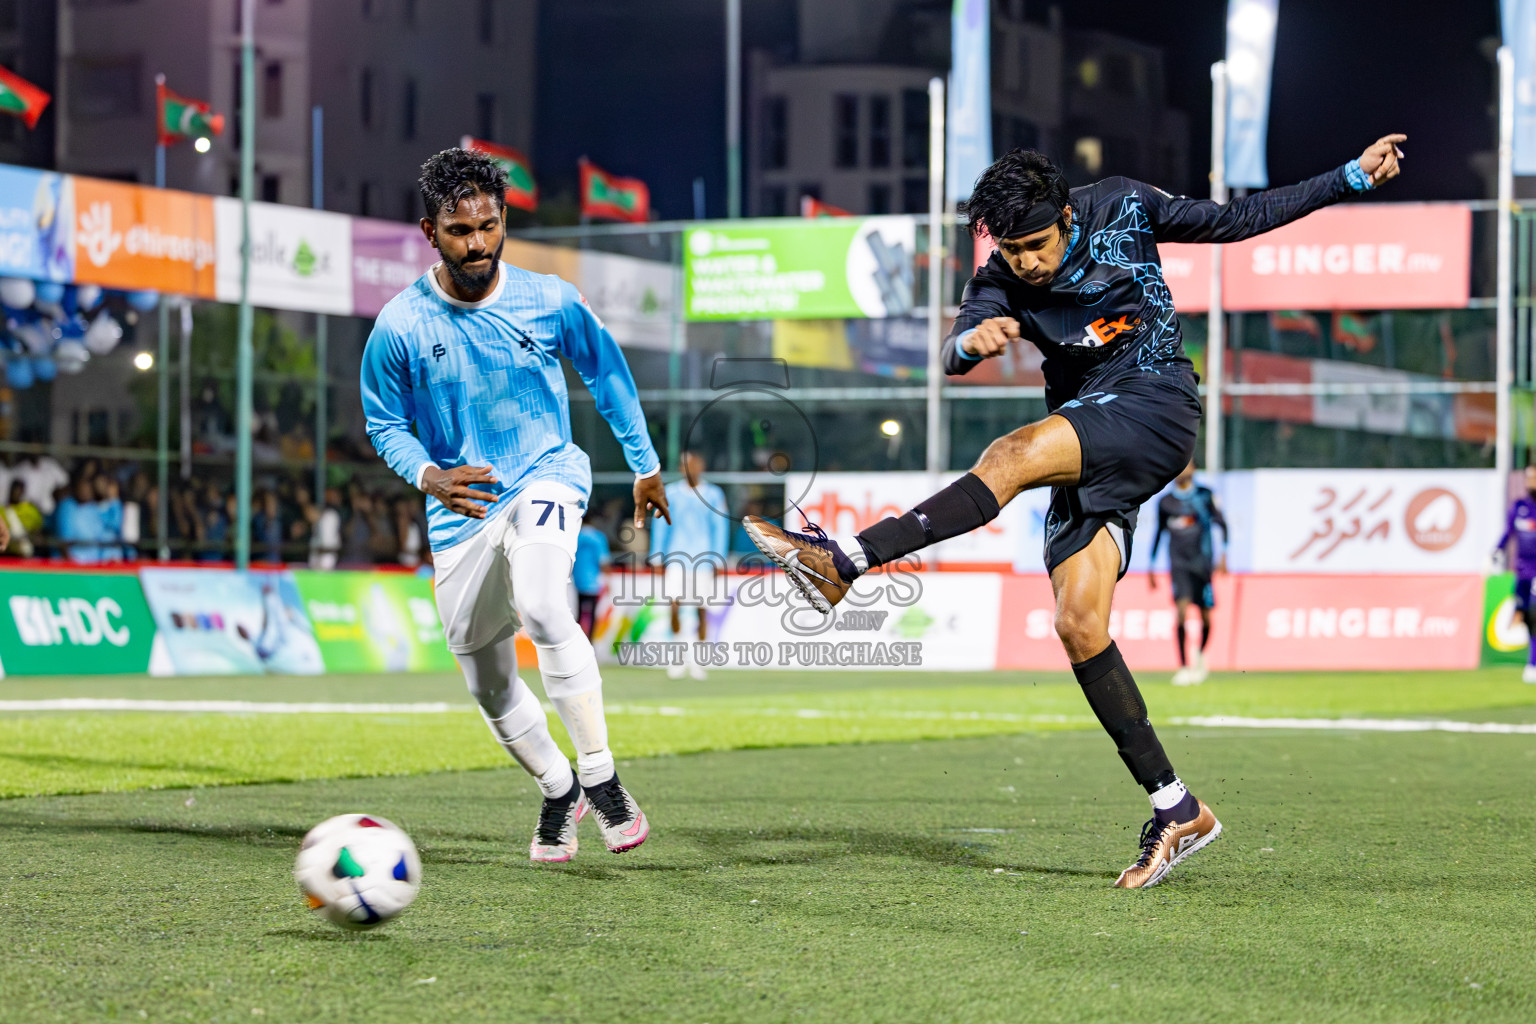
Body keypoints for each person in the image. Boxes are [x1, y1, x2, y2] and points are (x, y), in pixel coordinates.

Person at [743, 136, 1406, 888]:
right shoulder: (1000, 275)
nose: (1025, 261)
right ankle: (1177, 808)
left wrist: (1348, 175)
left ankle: (845, 562)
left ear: (1067, 215)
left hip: (1156, 403)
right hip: (1089, 437)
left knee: (1010, 454)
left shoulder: (1124, 205)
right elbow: (955, 351)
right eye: (1011, 249)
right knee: (1078, 624)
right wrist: (971, 339)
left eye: (1036, 244)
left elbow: (1234, 220)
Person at [362, 147, 669, 863]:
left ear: (503, 221)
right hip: (460, 508)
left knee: (542, 602)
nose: (478, 244)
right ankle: (558, 787)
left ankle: (601, 779)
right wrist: (428, 474)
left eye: (489, 226)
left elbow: (610, 375)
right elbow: (384, 424)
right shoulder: (400, 325)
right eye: (460, 231)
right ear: (429, 231)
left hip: (546, 473)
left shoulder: (551, 299)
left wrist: (645, 464)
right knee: (488, 679)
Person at [648, 451, 730, 680]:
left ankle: (698, 660)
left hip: (703, 560)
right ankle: (677, 657)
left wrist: (718, 558)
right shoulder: (671, 493)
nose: (690, 469)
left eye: (694, 465)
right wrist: (657, 556)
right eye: (686, 465)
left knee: (701, 610)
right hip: (676, 558)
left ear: (700, 467)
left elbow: (720, 527)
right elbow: (662, 525)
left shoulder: (714, 494)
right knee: (674, 606)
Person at [1148, 460, 1227, 685]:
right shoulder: (1166, 502)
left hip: (1202, 563)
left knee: (1205, 615)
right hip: (1178, 564)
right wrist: (1151, 566)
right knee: (1181, 612)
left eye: (1184, 466)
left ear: (1193, 469)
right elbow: (1159, 532)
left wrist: (1224, 554)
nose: (1179, 471)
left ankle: (1200, 655)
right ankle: (1183, 666)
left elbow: (1222, 524)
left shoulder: (1204, 496)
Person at [1494, 465, 1536, 684]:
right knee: (1523, 616)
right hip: (1522, 571)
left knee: (1535, 614)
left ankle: (1533, 663)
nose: (1531, 481)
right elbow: (1507, 532)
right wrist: (1496, 551)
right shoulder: (1520, 506)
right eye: (1529, 477)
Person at [573, 518, 610, 641]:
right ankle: (590, 642)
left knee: (578, 615)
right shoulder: (598, 537)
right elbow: (603, 561)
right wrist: (608, 580)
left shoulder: (576, 536)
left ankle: (576, 642)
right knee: (592, 615)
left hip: (577, 581)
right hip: (593, 582)